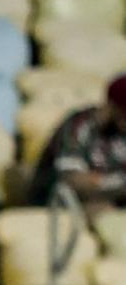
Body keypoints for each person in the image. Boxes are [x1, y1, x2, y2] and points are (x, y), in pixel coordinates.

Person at [29, 73, 126, 215]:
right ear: (112, 107)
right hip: (60, 204)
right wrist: (116, 183)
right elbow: (72, 183)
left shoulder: (121, 132)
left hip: (110, 200)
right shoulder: (80, 125)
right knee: (101, 210)